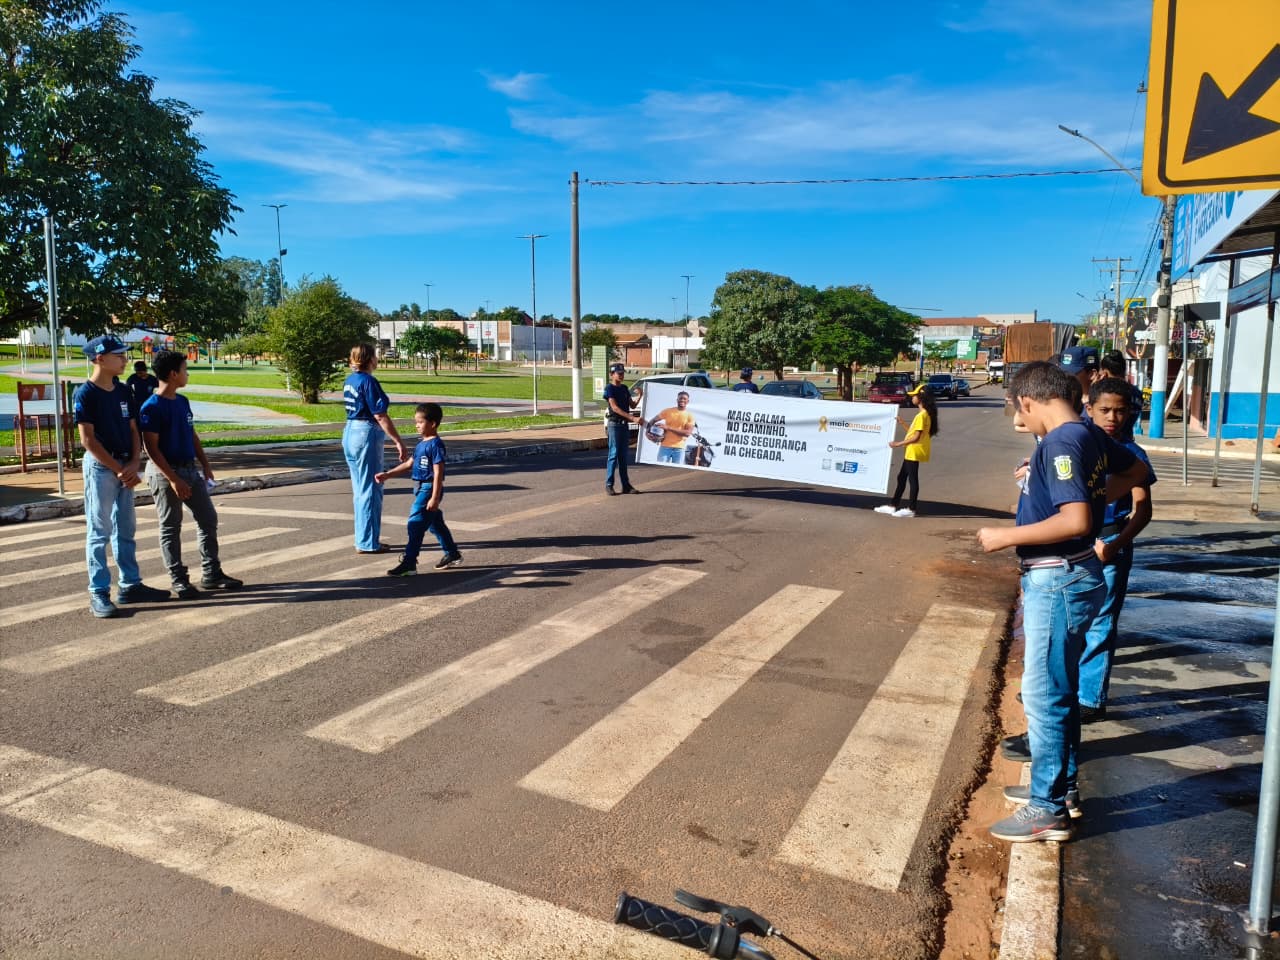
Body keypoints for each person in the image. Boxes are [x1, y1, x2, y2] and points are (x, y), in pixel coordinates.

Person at [977, 362, 1146, 842]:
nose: (1019, 419)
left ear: (1029, 401)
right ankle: (1061, 790)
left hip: (1058, 577)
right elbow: (1139, 471)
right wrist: (1091, 497)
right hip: (1072, 574)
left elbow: (1075, 522)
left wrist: (1004, 536)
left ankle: (1047, 808)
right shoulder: (1088, 434)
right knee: (1061, 688)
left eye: (1019, 410)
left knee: (1045, 695)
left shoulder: (1061, 443)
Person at [72, 335, 170, 618]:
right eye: (119, 355)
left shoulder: (124, 390)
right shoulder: (86, 394)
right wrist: (118, 468)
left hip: (125, 466)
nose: (125, 360)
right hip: (102, 468)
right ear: (99, 359)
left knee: (125, 529)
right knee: (99, 531)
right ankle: (99, 592)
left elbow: (133, 429)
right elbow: (88, 440)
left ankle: (130, 584)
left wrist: (134, 462)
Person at [1076, 377, 1155, 720]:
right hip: (1074, 544)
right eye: (1105, 410)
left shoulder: (1132, 456)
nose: (1112, 418)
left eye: (1120, 411)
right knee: (1068, 623)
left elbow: (1143, 511)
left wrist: (1114, 547)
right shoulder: (1076, 446)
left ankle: (1089, 698)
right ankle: (1058, 689)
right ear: (1089, 409)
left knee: (1100, 624)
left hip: (1109, 546)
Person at [139, 350, 244, 600]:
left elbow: (191, 434)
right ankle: (179, 579)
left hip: (189, 469)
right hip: (165, 473)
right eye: (185, 370)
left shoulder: (182, 401)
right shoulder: (152, 407)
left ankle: (211, 573)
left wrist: (205, 464)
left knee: (207, 518)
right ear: (173, 374)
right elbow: (151, 448)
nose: (188, 374)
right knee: (170, 526)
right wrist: (174, 479)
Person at [376, 402, 462, 575]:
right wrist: (388, 474)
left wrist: (435, 497)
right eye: (416, 422)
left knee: (415, 524)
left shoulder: (435, 445)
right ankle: (452, 553)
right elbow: (409, 463)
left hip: (429, 489)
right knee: (435, 524)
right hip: (420, 487)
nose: (417, 425)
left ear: (433, 424)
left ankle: (409, 562)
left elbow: (438, 473)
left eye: (420, 422)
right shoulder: (422, 444)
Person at [342, 344, 407, 554]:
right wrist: (398, 440)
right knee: (371, 488)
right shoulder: (368, 381)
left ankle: (363, 539)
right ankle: (368, 543)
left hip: (350, 431)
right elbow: (379, 415)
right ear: (370, 359)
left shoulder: (351, 380)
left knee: (360, 489)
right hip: (365, 432)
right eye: (376, 357)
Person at [875, 383, 937, 518]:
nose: (912, 398)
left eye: (914, 396)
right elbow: (913, 433)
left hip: (913, 450)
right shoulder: (925, 414)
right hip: (913, 450)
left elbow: (916, 437)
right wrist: (902, 422)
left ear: (921, 398)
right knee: (902, 477)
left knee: (912, 479)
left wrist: (898, 444)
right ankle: (893, 505)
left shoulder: (921, 416)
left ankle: (911, 509)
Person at [603, 362, 643, 495]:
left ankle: (626, 485)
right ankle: (609, 484)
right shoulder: (609, 388)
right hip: (614, 425)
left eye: (622, 373)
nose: (621, 375)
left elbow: (632, 405)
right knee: (613, 454)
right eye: (618, 373)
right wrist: (632, 418)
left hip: (624, 425)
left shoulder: (625, 388)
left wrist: (640, 396)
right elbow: (614, 408)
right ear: (612, 374)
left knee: (623, 457)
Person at [1100, 349, 1144, 436]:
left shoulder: (1107, 394)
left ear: (1105, 373)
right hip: (1128, 438)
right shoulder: (1137, 393)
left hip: (1109, 440)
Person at [650, 391, 696, 465]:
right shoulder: (668, 411)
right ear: (677, 400)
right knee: (660, 469)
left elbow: (687, 433)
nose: (682, 400)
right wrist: (649, 433)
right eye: (680, 398)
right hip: (665, 446)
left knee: (676, 470)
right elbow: (653, 421)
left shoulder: (689, 415)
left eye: (684, 399)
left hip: (679, 448)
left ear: (688, 401)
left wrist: (668, 428)